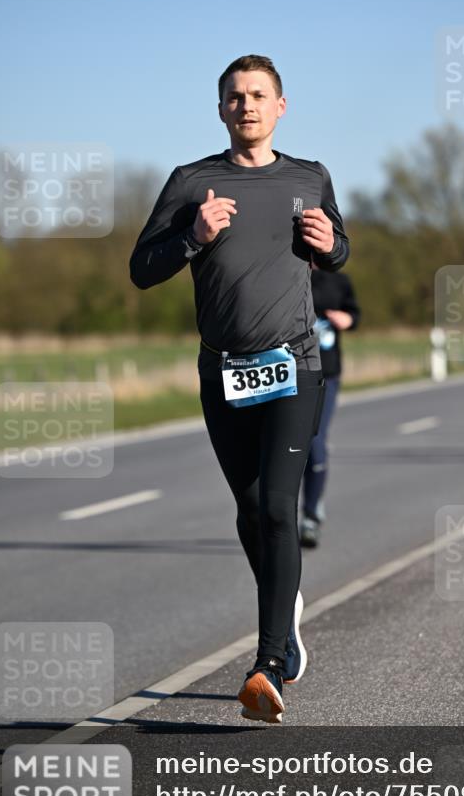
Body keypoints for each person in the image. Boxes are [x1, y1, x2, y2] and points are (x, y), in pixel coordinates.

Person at [129, 55, 349, 724]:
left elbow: (338, 248)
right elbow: (142, 269)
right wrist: (192, 237)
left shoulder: (309, 176)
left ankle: (267, 662)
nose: (246, 105)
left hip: (294, 367)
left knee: (281, 508)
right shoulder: (191, 182)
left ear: (280, 106)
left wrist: (329, 243)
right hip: (222, 370)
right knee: (252, 509)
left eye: (258, 95)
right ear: (220, 108)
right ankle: (286, 615)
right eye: (234, 96)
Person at [300, 266, 360, 548]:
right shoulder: (282, 271)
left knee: (315, 442)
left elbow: (354, 313)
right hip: (288, 374)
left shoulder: (338, 279)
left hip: (327, 372)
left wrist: (345, 319)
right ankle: (280, 520)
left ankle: (311, 514)